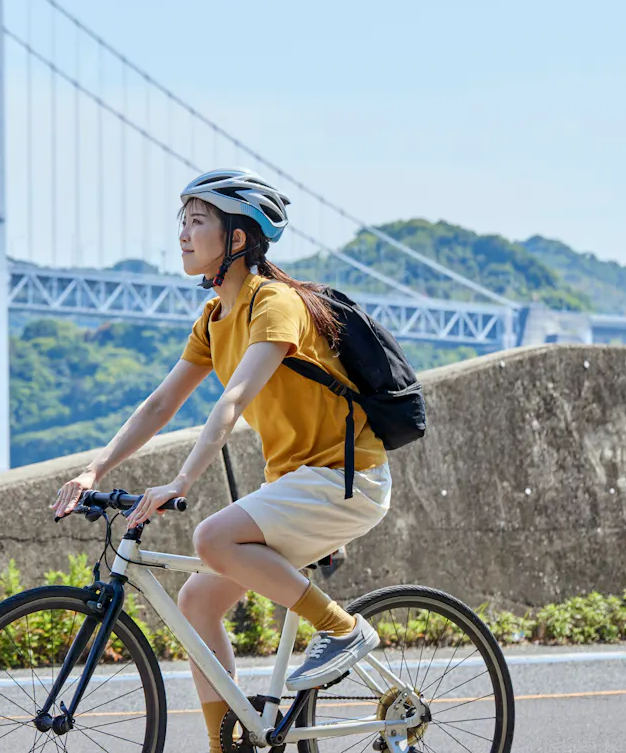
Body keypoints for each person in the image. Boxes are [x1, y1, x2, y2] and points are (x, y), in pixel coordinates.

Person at [51, 168, 391, 753]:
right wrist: (94, 470)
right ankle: (227, 746)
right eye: (181, 220)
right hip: (297, 486)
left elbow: (235, 400)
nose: (183, 233)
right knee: (196, 602)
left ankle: (342, 628)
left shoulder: (275, 303)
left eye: (198, 220)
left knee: (212, 538)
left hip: (345, 479)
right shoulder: (214, 318)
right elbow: (160, 404)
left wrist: (183, 479)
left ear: (237, 238)